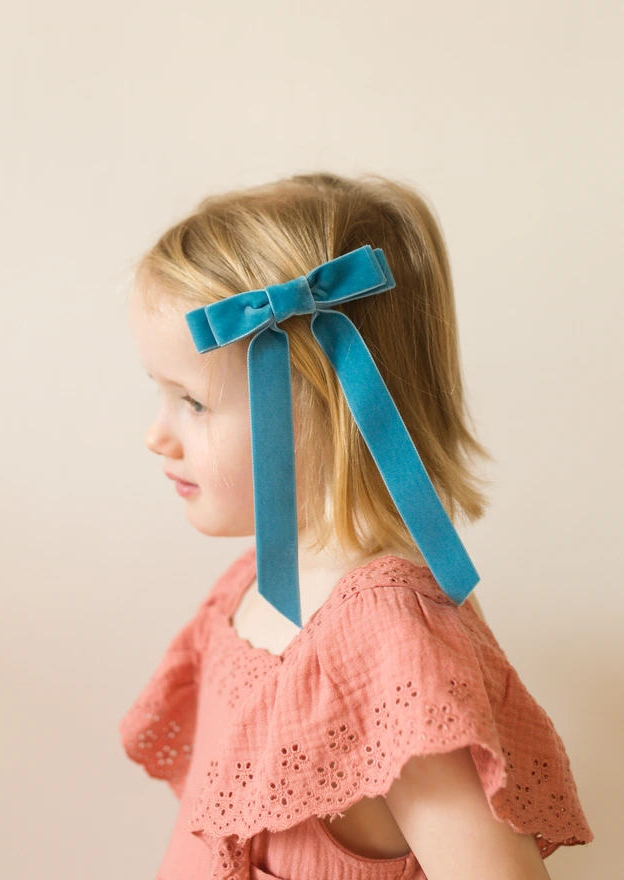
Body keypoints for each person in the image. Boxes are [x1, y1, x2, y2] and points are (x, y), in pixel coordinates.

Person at [119, 171, 593, 880]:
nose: (156, 435)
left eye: (191, 401)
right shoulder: (256, 585)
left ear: (322, 400)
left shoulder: (390, 643)